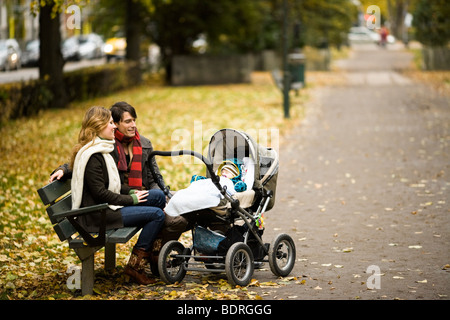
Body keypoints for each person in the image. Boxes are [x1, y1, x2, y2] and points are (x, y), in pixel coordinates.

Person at [69, 106, 165, 285]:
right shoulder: (92, 155)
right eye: (110, 123)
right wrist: (131, 199)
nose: (113, 127)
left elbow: (111, 184)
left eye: (114, 123)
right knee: (157, 214)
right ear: (98, 127)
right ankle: (136, 266)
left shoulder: (102, 149)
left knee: (158, 197)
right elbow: (100, 194)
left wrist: (129, 191)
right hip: (98, 215)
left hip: (108, 208)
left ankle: (153, 253)